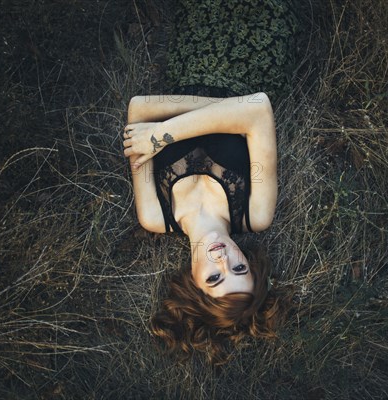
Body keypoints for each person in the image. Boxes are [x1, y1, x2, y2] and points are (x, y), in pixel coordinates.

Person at [122, 0, 298, 364]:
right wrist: (165, 134)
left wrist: (231, 112)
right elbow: (260, 106)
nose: (224, 259)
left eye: (215, 279)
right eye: (239, 269)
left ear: (193, 284)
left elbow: (139, 109)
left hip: (194, 53)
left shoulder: (154, 215)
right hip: (257, 57)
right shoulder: (255, 211)